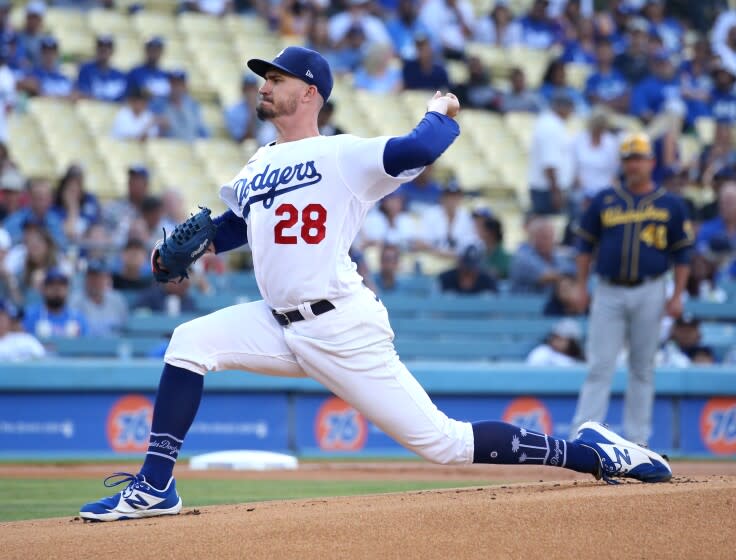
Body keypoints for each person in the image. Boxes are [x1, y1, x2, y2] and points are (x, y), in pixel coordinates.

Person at [79, 46, 672, 522]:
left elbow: (423, 146)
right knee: (189, 341)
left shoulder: (344, 155)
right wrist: (193, 248)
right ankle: (154, 486)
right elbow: (235, 225)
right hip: (275, 320)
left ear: (309, 91)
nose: (264, 83)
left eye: (277, 77)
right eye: (264, 76)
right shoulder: (257, 165)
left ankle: (595, 452)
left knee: (443, 443)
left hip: (340, 324)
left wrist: (442, 108)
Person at [570, 132, 693, 445]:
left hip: (651, 289)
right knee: (600, 366)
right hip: (608, 290)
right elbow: (584, 246)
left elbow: (682, 253)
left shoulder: (670, 204)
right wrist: (581, 286)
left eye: (639, 157)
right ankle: (582, 438)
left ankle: (638, 441)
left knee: (642, 368)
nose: (634, 164)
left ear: (652, 162)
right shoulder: (604, 200)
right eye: (628, 158)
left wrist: (677, 294)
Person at [23, 268, 88, 339]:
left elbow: (87, 345)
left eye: (61, 285)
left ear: (67, 289)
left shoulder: (78, 318)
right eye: (51, 284)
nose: (57, 288)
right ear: (43, 289)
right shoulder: (30, 316)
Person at [69, 260, 128, 336]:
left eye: (100, 277)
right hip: (84, 346)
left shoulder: (117, 300)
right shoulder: (75, 301)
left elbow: (125, 329)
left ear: (108, 279)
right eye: (92, 277)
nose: (96, 281)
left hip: (113, 346)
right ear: (85, 279)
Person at [76, 35, 127, 103]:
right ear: (96, 49)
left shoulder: (119, 76)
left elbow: (123, 99)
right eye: (100, 46)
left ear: (112, 51)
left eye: (108, 46)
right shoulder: (86, 70)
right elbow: (82, 94)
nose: (104, 49)